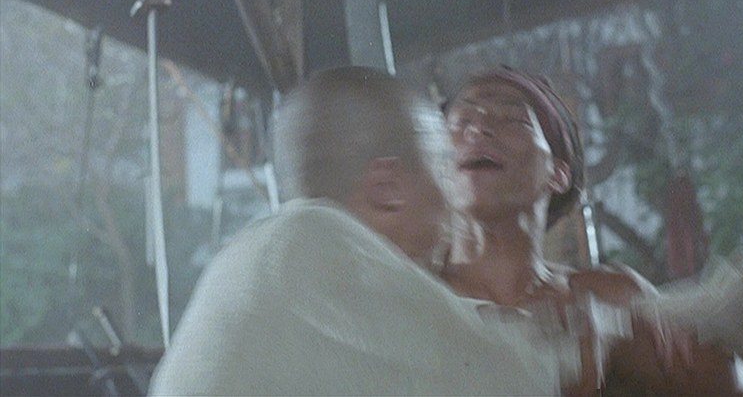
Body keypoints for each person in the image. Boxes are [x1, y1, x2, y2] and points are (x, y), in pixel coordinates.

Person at [148, 67, 556, 395]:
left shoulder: (260, 253)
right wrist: (570, 339)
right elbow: (510, 379)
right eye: (442, 169)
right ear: (387, 187)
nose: (452, 200)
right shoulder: (317, 249)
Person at [439, 66, 743, 395]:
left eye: (513, 119)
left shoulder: (610, 296)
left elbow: (732, 386)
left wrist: (626, 336)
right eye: (461, 120)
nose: (478, 128)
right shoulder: (417, 294)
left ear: (557, 173)